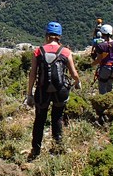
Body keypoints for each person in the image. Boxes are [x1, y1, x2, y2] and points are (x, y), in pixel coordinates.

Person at [26, 22, 81, 160]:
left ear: (47, 35)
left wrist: (29, 94)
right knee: (57, 117)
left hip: (42, 91)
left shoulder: (38, 51)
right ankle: (58, 147)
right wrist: (77, 82)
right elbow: (74, 73)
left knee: (39, 119)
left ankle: (36, 150)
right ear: (59, 36)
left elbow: (33, 74)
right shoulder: (66, 52)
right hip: (60, 90)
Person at [92, 24, 113, 94]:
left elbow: (98, 60)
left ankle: (104, 102)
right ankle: (110, 99)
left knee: (102, 85)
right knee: (110, 85)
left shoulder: (100, 46)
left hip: (105, 67)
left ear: (102, 34)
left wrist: (90, 65)